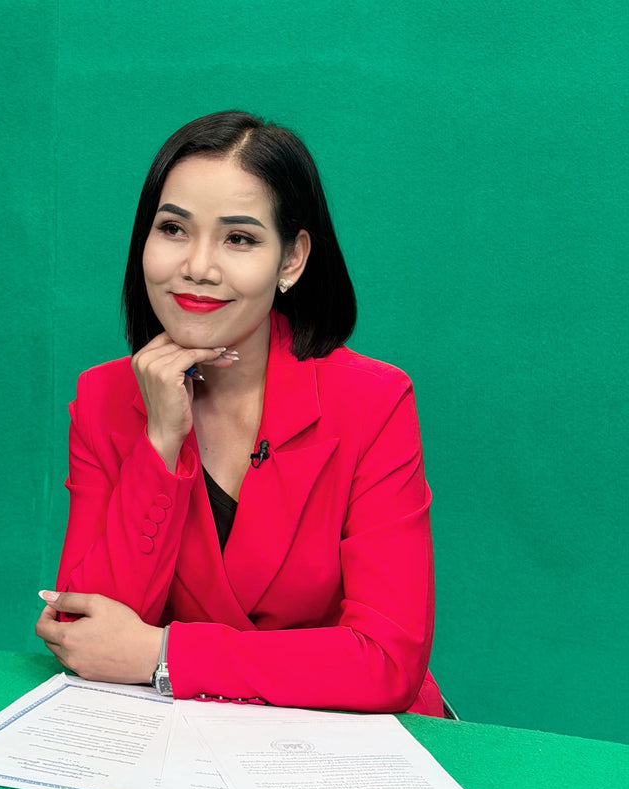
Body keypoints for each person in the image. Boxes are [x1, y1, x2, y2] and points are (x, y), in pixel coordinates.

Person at [36, 110, 443, 716]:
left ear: (292, 260)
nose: (198, 266)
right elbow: (85, 631)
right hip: (176, 745)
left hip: (347, 741)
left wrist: (162, 655)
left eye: (240, 238)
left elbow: (386, 663)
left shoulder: (373, 401)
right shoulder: (102, 398)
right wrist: (160, 443)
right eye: (173, 229)